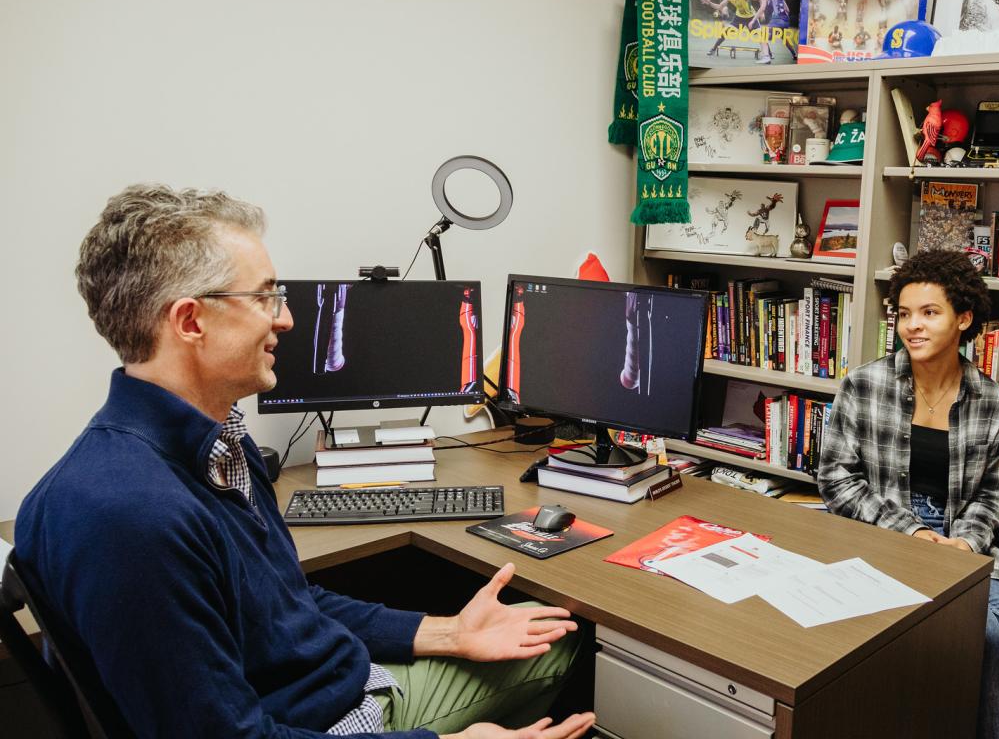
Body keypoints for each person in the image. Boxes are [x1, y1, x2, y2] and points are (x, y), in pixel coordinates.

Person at [14, 184, 595, 739]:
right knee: (581, 641)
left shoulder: (220, 443)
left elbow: (290, 604)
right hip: (332, 723)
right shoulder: (129, 517)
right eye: (265, 296)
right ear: (190, 321)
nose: (286, 318)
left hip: (348, 685)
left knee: (549, 626)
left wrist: (448, 632)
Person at [817, 249, 999, 739]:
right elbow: (835, 478)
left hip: (960, 539)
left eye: (929, 313)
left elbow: (992, 496)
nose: (913, 326)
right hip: (884, 533)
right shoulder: (863, 385)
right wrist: (910, 530)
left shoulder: (995, 403)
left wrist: (966, 546)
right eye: (905, 314)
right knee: (984, 638)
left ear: (964, 318)